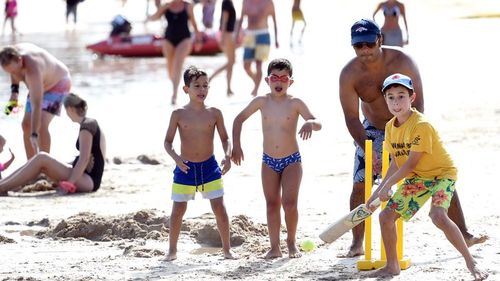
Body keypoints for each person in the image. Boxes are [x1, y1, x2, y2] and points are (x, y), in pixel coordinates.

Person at [338, 19, 487, 257]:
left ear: (380, 40)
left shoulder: (402, 61)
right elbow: (351, 117)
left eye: (369, 44)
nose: (365, 50)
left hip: (410, 126)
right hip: (374, 130)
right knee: (360, 183)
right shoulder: (349, 74)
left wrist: (412, 141)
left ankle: (464, 234)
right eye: (358, 46)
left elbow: (419, 103)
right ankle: (357, 242)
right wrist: (369, 150)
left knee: (437, 174)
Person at [365, 73, 488, 280]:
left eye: (401, 96)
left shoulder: (421, 125)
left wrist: (387, 186)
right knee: (385, 217)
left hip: (442, 174)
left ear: (412, 98)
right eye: (391, 97)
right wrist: (379, 190)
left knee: (438, 216)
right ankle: (392, 266)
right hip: (419, 177)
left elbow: (410, 163)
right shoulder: (389, 127)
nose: (396, 102)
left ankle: (471, 262)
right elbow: (396, 162)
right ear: (385, 100)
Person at [232, 58, 321, 258]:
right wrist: (236, 146)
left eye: (284, 78)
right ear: (267, 80)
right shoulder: (261, 102)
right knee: (272, 204)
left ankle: (291, 242)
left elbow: (317, 121)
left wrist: (310, 123)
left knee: (289, 204)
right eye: (275, 77)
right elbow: (239, 119)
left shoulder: (295, 103)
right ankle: (274, 247)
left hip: (292, 160)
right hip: (269, 161)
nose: (279, 82)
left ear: (291, 81)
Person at [164, 66, 236, 261]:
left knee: (219, 208)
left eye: (205, 86)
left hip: (209, 167)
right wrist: (177, 159)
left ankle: (227, 250)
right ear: (186, 89)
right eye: (197, 86)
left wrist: (227, 155)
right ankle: (172, 251)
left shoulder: (215, 113)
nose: (202, 90)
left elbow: (225, 139)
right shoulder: (178, 114)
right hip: (185, 167)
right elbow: (167, 142)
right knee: (178, 210)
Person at [0, 93, 106, 196]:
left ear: (70, 109)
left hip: (89, 181)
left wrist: (69, 184)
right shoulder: (90, 123)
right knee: (40, 160)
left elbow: (84, 159)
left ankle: (3, 186)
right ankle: (3, 184)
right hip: (85, 176)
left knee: (42, 157)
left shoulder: (87, 126)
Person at [0, 43, 72, 160]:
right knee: (26, 125)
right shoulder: (9, 54)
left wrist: (34, 134)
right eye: (10, 72)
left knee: (41, 125)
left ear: (20, 60)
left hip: (58, 83)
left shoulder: (33, 69)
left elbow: (36, 105)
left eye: (15, 71)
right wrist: (15, 92)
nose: (15, 75)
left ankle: (45, 164)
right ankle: (31, 165)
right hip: (39, 84)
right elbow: (13, 71)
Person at [147, 0, 203, 105]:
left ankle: (174, 95)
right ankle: (174, 85)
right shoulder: (166, 6)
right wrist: (159, 9)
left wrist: (199, 40)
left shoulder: (188, 6)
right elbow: (154, 18)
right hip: (169, 39)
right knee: (170, 68)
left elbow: (194, 24)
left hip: (184, 39)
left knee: (178, 64)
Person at [236, 0, 279, 97]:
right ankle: (256, 81)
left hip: (263, 34)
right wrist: (237, 36)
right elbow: (242, 18)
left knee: (258, 65)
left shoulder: (268, 2)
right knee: (246, 66)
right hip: (249, 35)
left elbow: (274, 20)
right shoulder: (246, 2)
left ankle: (256, 89)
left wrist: (276, 39)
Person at [209, 0, 236, 96]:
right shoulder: (227, 2)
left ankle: (228, 88)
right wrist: (223, 37)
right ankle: (210, 78)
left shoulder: (228, 2)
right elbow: (224, 20)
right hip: (227, 34)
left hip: (228, 34)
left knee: (230, 63)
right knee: (231, 62)